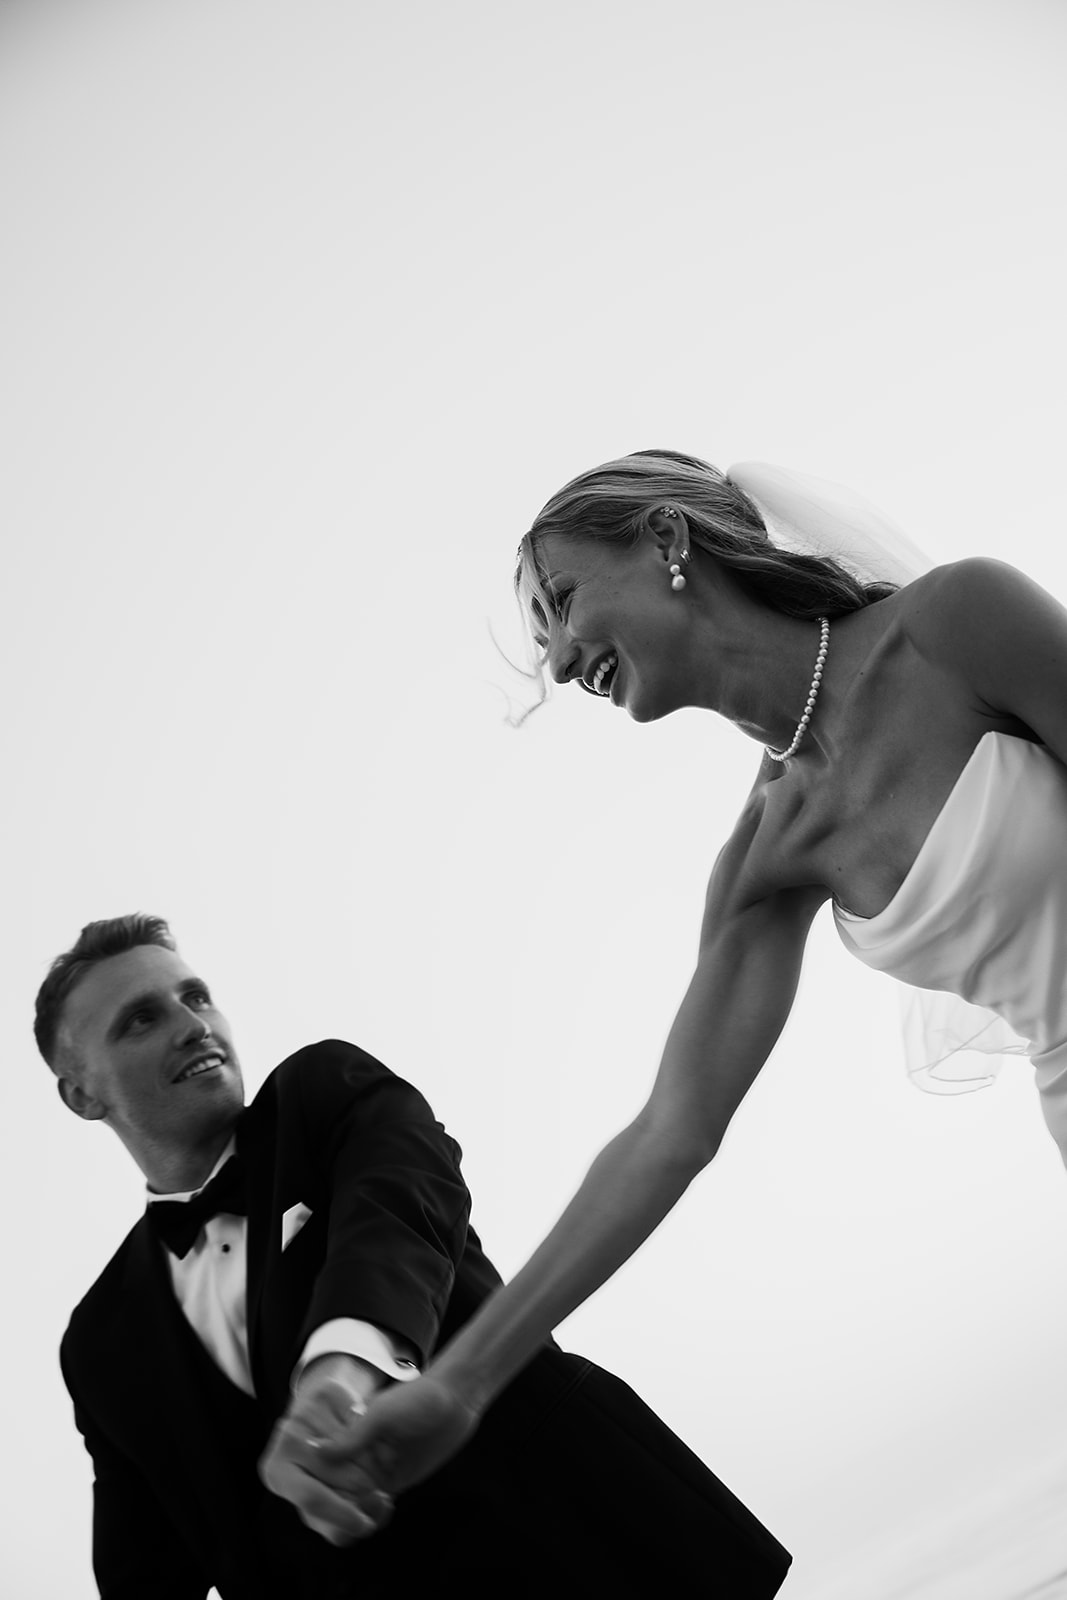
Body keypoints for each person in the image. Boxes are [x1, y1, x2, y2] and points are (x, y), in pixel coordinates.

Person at [325, 446, 1067, 1531]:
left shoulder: (956, 619)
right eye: (541, 638)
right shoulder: (767, 859)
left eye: (564, 601)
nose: (560, 655)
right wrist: (459, 1382)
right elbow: (665, 1134)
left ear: (668, 541)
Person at [39, 911, 792, 1599]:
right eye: (142, 1019)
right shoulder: (100, 1341)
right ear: (82, 1095)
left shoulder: (323, 1091)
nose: (191, 1025)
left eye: (196, 997)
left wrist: (338, 1378)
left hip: (594, 1553)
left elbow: (397, 1210)